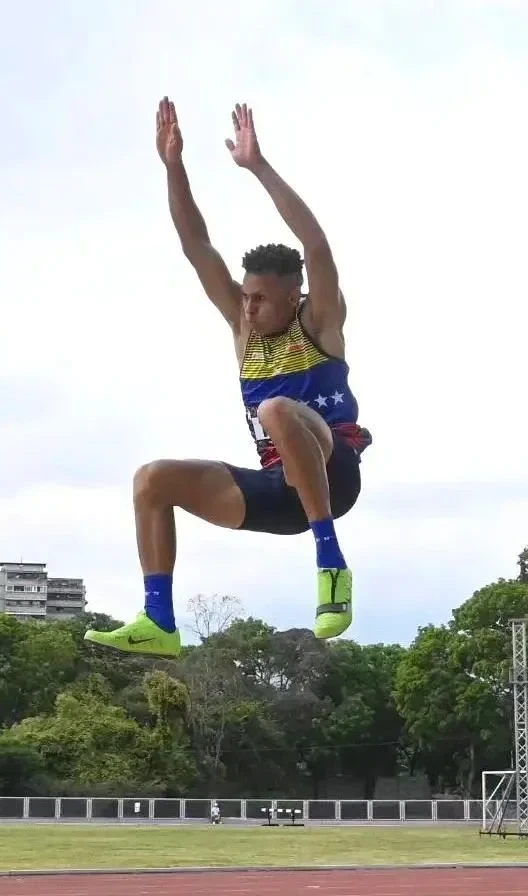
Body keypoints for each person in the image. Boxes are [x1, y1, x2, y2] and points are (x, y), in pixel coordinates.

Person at [83, 98, 372, 659]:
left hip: (335, 477)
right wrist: (173, 166)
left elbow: (316, 246)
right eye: (245, 295)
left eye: (261, 298)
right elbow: (196, 246)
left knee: (277, 410)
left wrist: (258, 167)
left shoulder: (321, 324)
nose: (249, 305)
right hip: (278, 493)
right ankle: (159, 620)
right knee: (151, 479)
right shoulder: (243, 329)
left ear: (296, 297)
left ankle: (331, 565)